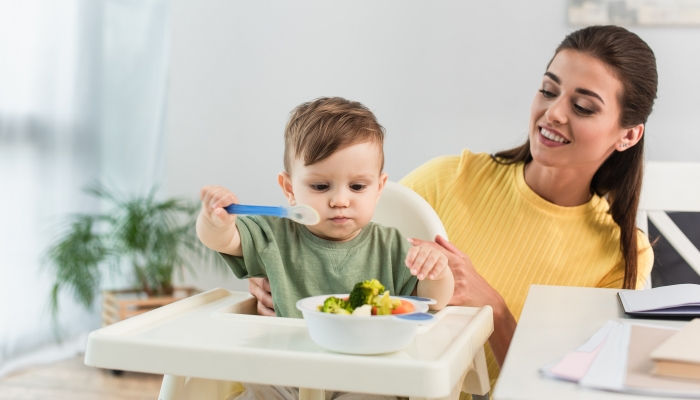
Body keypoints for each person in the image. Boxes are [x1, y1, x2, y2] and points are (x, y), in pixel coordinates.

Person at [248, 25, 658, 395]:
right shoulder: (450, 178)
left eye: (583, 107)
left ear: (628, 135)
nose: (553, 113)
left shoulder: (623, 254)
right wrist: (281, 280)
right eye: (549, 90)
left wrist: (493, 307)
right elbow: (338, 247)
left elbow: (578, 390)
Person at [197, 97, 454, 399]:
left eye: (357, 187)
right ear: (290, 189)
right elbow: (223, 240)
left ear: (379, 188)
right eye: (321, 187)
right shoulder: (274, 235)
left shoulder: (393, 245)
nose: (340, 200)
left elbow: (434, 303)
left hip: (367, 376)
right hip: (286, 371)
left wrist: (436, 271)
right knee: (256, 389)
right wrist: (215, 222)